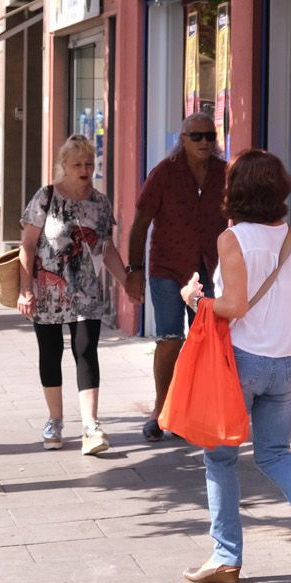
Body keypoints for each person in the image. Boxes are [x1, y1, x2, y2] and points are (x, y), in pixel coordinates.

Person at [178, 149, 291, 583]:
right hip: (287, 361)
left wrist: (196, 299)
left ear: (237, 191)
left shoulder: (232, 239)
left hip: (242, 361)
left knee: (220, 458)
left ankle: (226, 556)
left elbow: (232, 306)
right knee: (275, 452)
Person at [19, 135, 128, 455]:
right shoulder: (46, 197)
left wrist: (126, 282)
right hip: (48, 289)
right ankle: (54, 420)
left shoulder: (100, 203)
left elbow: (106, 248)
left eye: (89, 164)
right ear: (63, 166)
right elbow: (27, 245)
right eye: (77, 164)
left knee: (86, 350)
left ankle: (91, 427)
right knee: (50, 353)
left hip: (86, 290)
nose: (85, 169)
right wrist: (26, 289)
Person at [125, 113, 228, 442]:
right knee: (170, 338)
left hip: (209, 270)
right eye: (196, 136)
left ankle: (191, 411)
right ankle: (160, 410)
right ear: (182, 139)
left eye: (209, 136)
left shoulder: (224, 175)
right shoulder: (165, 173)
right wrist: (134, 269)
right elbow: (141, 221)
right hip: (167, 268)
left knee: (204, 343)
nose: (204, 142)